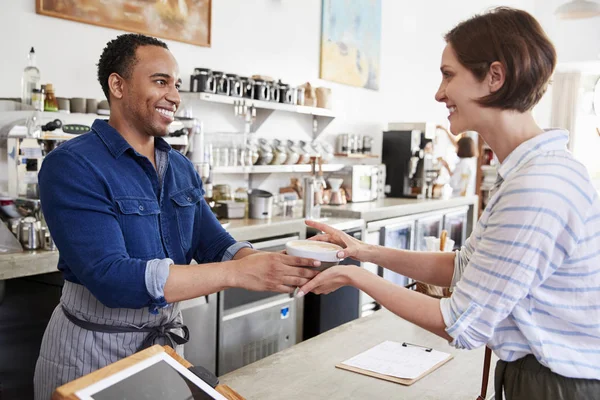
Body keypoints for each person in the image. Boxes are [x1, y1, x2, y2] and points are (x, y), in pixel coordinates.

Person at [297, 7, 600, 399]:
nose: (439, 93)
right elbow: (463, 267)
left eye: (448, 74)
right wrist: (362, 251)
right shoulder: (529, 172)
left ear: (495, 76)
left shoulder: (538, 186)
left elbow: (460, 323)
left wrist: (356, 276)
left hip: (557, 384)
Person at [33, 34, 320, 400]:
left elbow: (214, 243)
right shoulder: (72, 165)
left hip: (164, 350)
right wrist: (239, 273)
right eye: (160, 81)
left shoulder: (180, 166)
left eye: (176, 84)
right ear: (117, 85)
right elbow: (110, 277)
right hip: (92, 353)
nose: (174, 95)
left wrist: (272, 265)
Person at [437, 132, 478, 196]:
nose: (456, 149)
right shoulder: (471, 162)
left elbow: (453, 183)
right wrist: (447, 168)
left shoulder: (463, 164)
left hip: (459, 196)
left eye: (457, 146)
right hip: (467, 196)